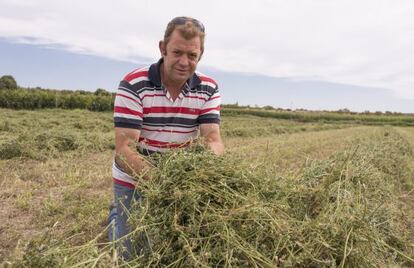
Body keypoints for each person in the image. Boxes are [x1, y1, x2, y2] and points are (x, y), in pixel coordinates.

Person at [108, 16, 224, 260]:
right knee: (131, 254)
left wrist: (203, 175)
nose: (184, 62)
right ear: (162, 48)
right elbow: (125, 148)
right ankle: (117, 215)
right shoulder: (134, 83)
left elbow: (212, 140)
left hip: (179, 177)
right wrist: (163, 183)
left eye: (192, 55)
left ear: (200, 54)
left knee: (178, 248)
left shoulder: (208, 88)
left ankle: (123, 214)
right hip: (135, 174)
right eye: (177, 52)